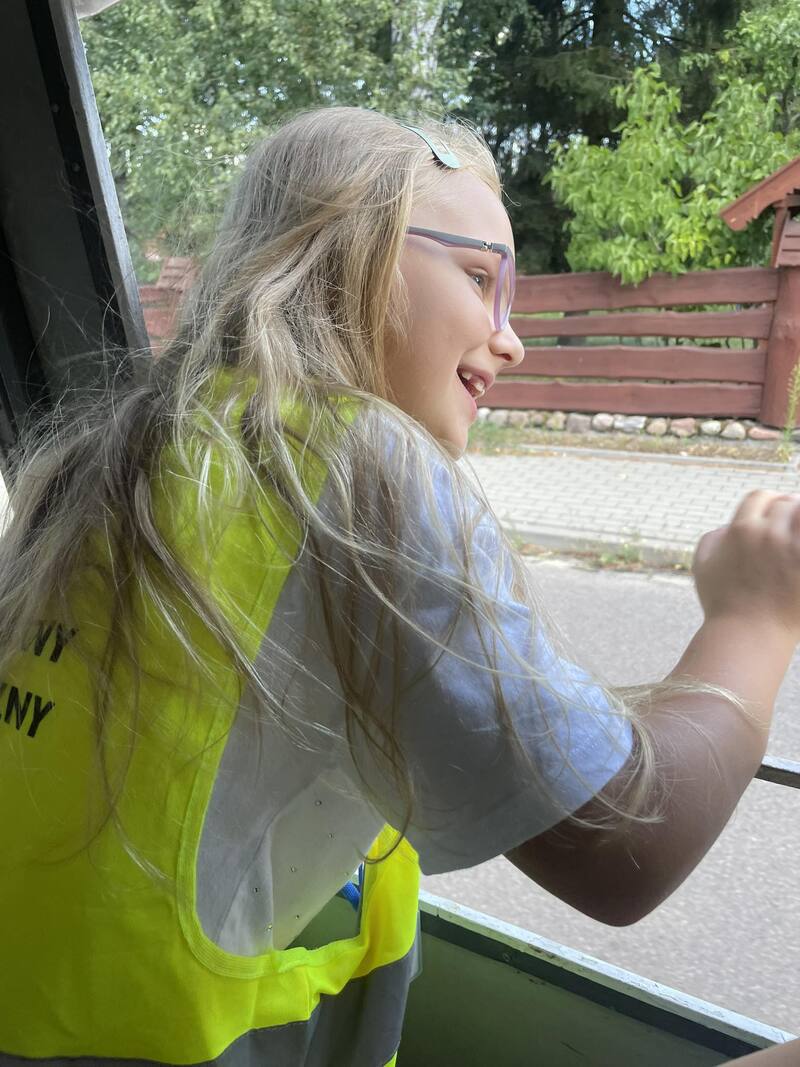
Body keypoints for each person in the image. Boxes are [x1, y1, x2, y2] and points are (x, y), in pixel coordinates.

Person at [0, 107, 798, 1067]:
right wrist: (756, 615)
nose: (511, 340)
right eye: (480, 279)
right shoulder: (358, 465)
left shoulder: (103, 458)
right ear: (342, 253)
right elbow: (629, 847)